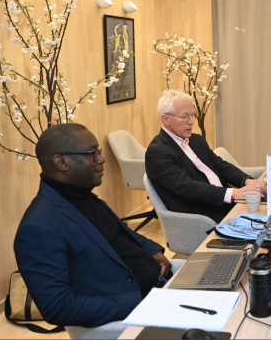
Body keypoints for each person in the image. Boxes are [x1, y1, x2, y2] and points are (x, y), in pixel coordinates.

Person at [14, 124, 172, 327]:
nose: (101, 159)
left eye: (99, 152)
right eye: (93, 153)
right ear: (61, 162)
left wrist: (151, 250)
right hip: (138, 312)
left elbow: (117, 234)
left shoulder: (81, 196)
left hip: (161, 287)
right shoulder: (38, 228)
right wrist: (141, 303)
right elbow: (58, 307)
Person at [145, 90, 267, 223]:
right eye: (184, 116)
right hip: (204, 216)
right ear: (166, 119)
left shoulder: (196, 140)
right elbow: (188, 186)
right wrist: (234, 193)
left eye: (192, 115)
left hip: (227, 203)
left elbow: (220, 165)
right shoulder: (157, 152)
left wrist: (247, 181)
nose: (191, 121)